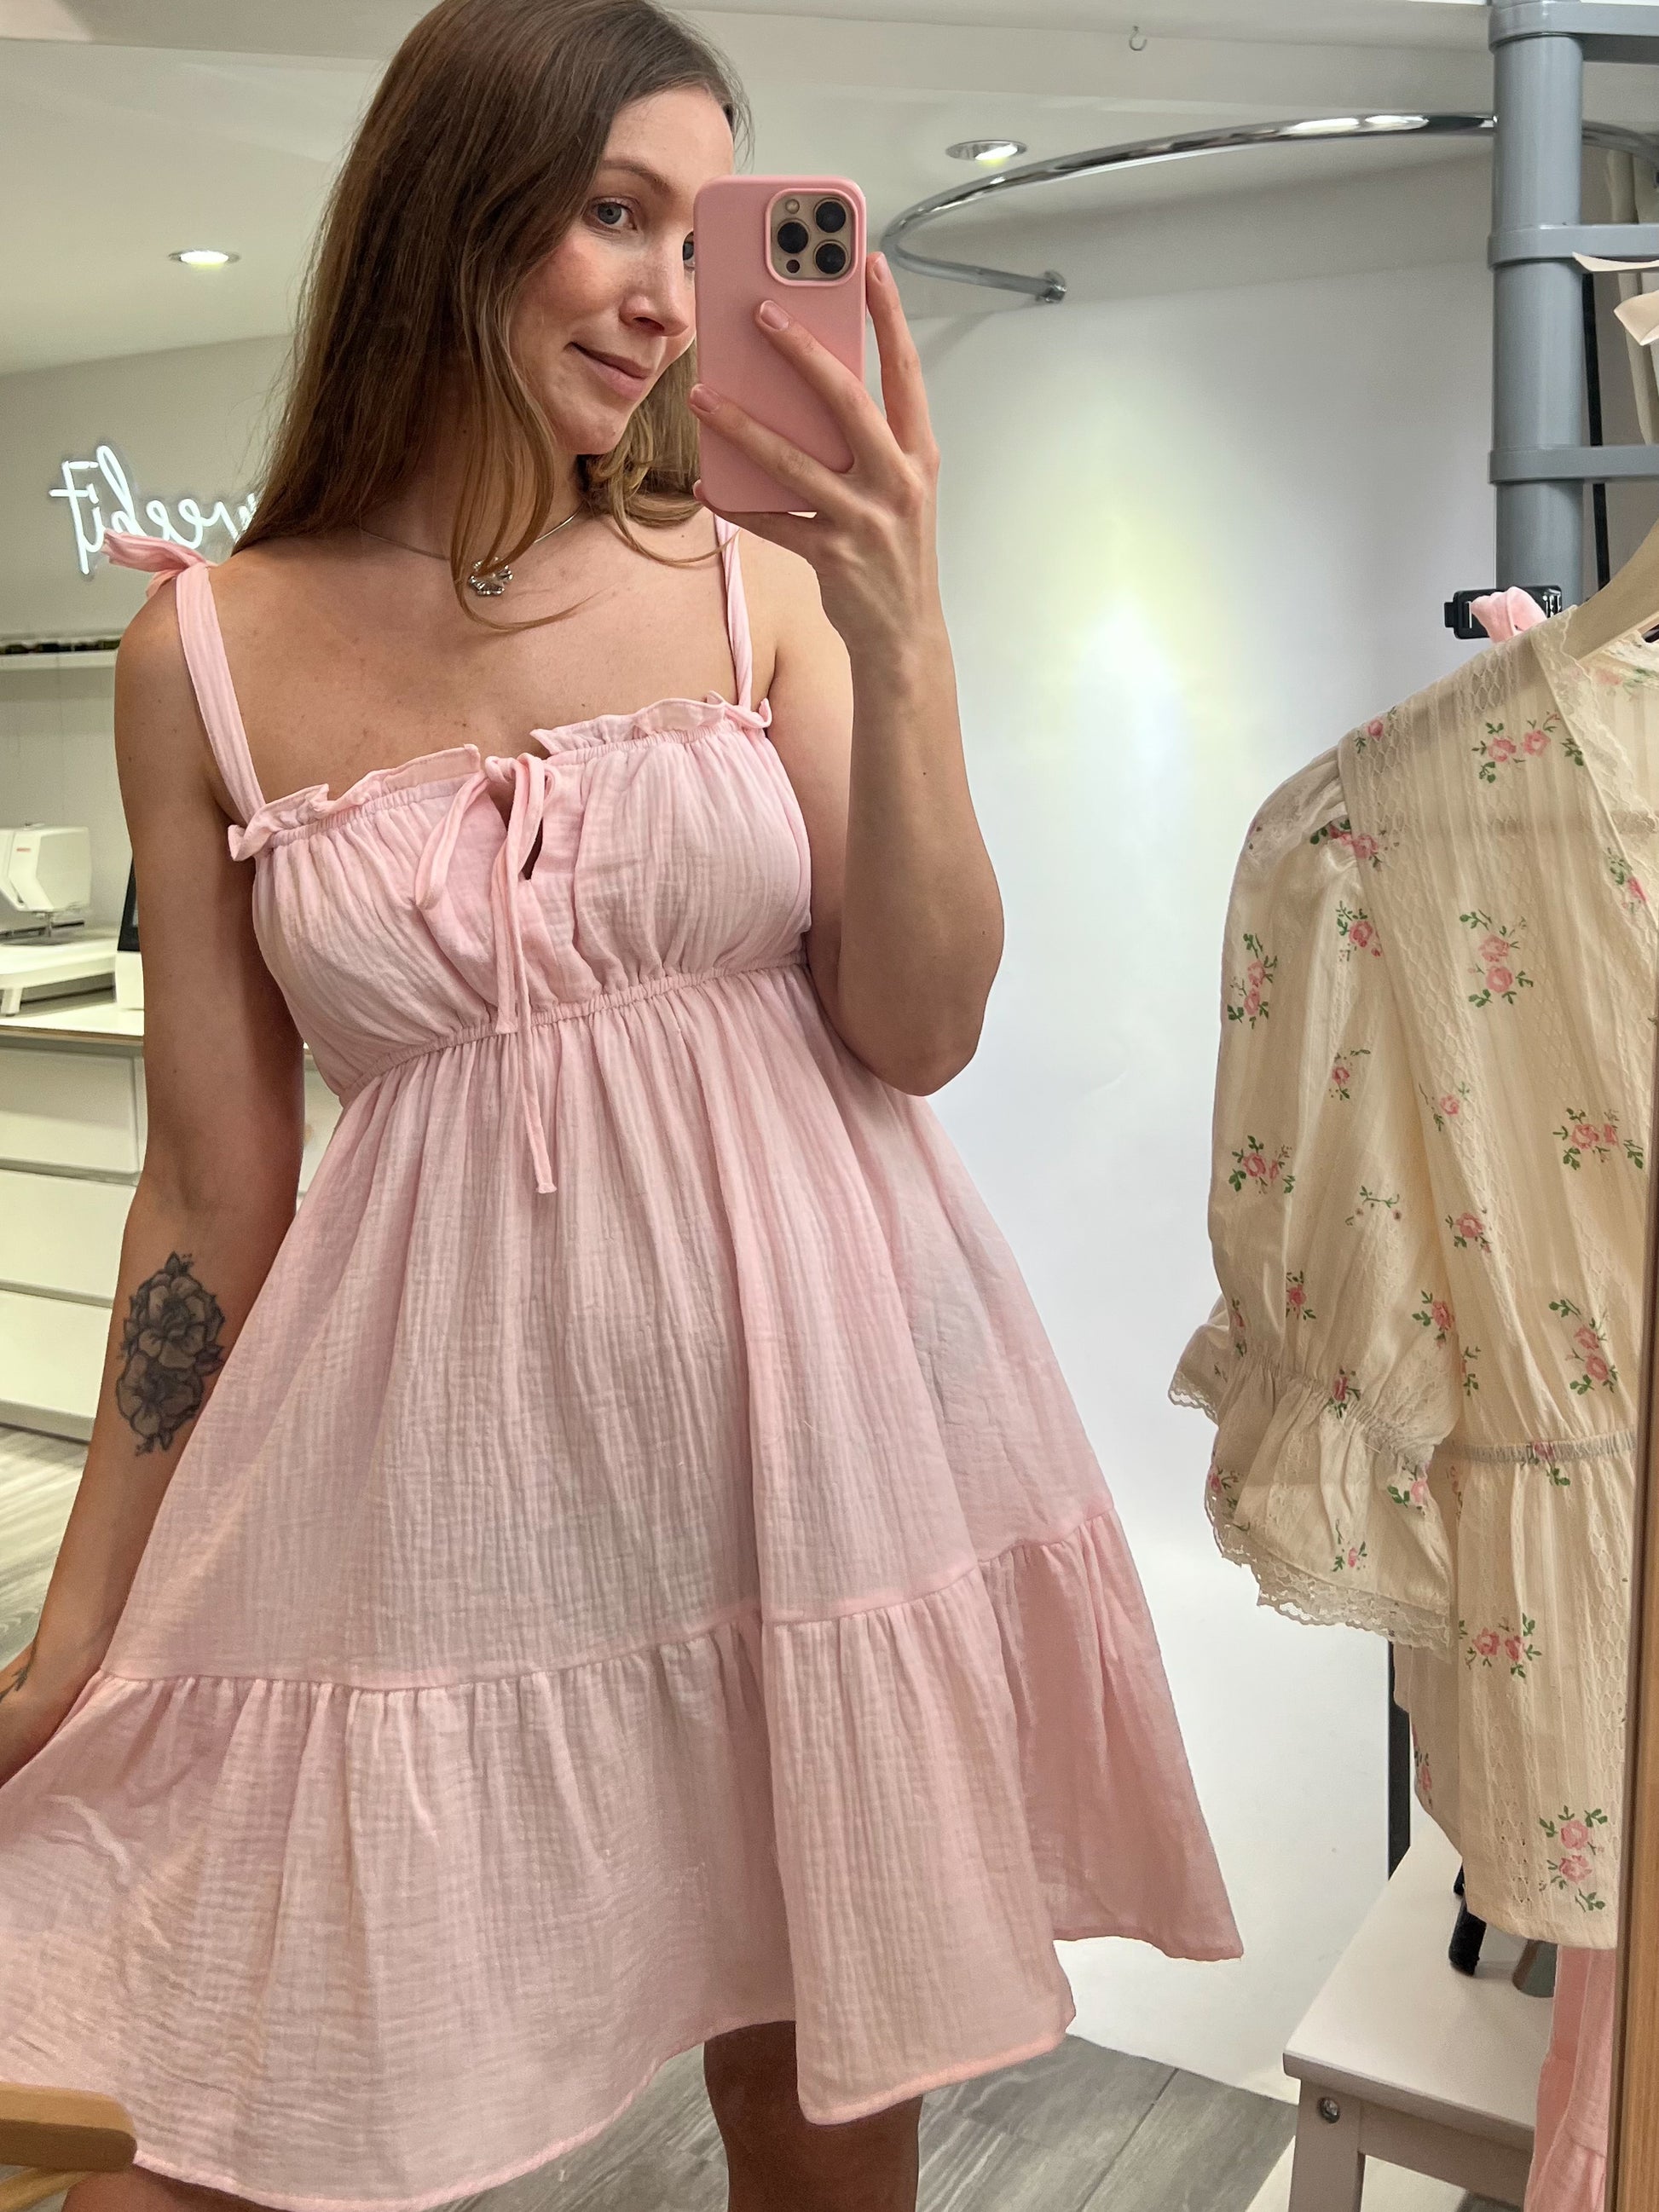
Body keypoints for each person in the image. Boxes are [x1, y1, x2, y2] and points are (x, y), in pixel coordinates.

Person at [0, 3, 1238, 2209]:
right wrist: (90, 1606)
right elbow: (206, 1188)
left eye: (699, 229)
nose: (671, 294)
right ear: (448, 215)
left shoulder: (763, 592)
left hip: (815, 1442)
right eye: (612, 212)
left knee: (819, 2099)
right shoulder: (205, 656)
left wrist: (903, 629)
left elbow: (921, 1022)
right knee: (222, 2116)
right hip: (435, 1479)